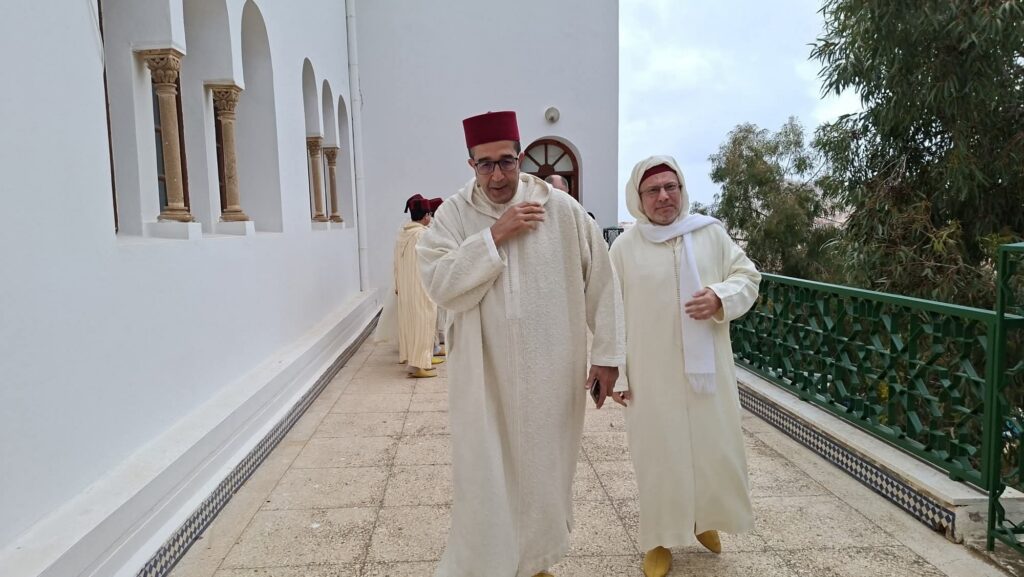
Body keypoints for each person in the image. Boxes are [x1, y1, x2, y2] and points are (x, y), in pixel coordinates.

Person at [418, 110, 624, 577]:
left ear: (521, 156)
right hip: (482, 374)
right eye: (485, 164)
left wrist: (608, 357)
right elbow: (439, 284)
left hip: (550, 369)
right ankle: (489, 562)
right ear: (471, 164)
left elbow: (603, 283)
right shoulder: (453, 216)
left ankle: (535, 560)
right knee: (485, 474)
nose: (497, 175)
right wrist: (494, 236)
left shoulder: (561, 210)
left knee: (543, 472)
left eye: (506, 162)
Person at [608, 156, 761, 577]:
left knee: (713, 451)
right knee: (659, 458)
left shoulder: (710, 233)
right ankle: (658, 539)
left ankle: (703, 520)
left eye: (670, 187)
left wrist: (719, 296)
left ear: (682, 189)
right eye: (653, 190)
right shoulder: (625, 249)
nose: (664, 197)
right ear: (638, 197)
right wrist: (618, 373)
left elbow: (747, 277)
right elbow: (611, 313)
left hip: (707, 374)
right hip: (651, 375)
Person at [394, 194, 444, 378]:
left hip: (407, 286)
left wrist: (397, 283)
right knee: (424, 323)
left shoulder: (404, 233)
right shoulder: (421, 234)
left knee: (412, 325)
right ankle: (419, 365)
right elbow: (431, 259)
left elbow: (395, 263)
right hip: (420, 286)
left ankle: (421, 359)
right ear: (426, 216)